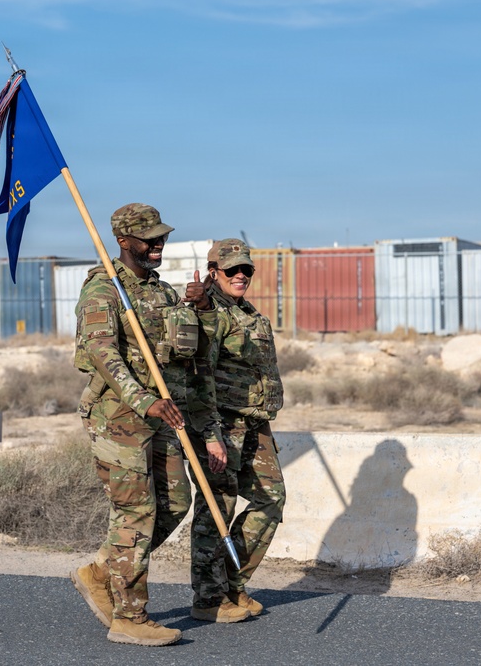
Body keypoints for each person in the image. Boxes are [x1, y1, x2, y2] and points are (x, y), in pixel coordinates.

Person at [70, 203, 228, 646]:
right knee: (136, 513)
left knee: (174, 502)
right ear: (124, 241)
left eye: (161, 237)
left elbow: (192, 354)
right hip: (118, 417)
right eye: (149, 239)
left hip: (164, 414)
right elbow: (102, 352)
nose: (159, 244)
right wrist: (143, 400)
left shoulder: (162, 292)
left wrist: (201, 310)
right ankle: (129, 617)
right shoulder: (103, 289)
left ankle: (102, 571)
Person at [183, 238, 287, 621]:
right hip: (221, 424)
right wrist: (211, 434)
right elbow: (199, 377)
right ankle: (209, 597)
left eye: (247, 269)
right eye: (232, 270)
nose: (241, 275)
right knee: (217, 507)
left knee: (271, 498)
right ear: (214, 272)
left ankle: (232, 582)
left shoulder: (247, 312)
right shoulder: (207, 312)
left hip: (254, 423)